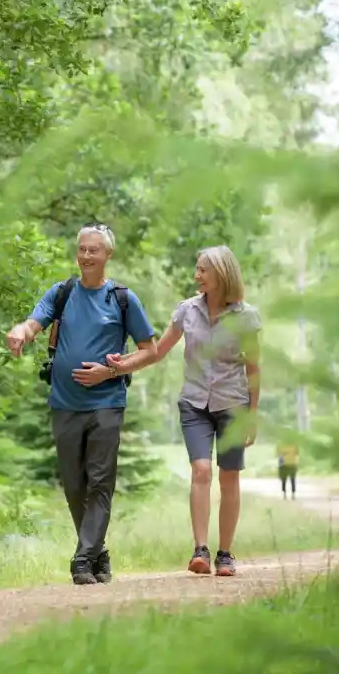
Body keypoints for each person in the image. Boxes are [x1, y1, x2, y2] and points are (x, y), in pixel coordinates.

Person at [5, 222, 156, 586]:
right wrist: (20, 332)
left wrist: (108, 372)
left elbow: (149, 351)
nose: (86, 256)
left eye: (94, 250)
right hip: (65, 403)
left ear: (108, 255)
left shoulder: (122, 299)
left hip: (107, 402)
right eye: (82, 249)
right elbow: (33, 323)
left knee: (100, 482)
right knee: (75, 484)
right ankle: (98, 552)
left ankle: (82, 560)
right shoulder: (62, 292)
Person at [107, 245, 260, 577]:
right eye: (197, 269)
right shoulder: (186, 311)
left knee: (230, 476)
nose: (197, 276)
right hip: (194, 403)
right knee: (201, 470)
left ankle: (225, 554)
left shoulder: (246, 317)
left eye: (203, 270)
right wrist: (121, 365)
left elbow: (254, 369)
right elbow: (157, 352)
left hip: (233, 403)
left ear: (221, 273)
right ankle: (200, 550)